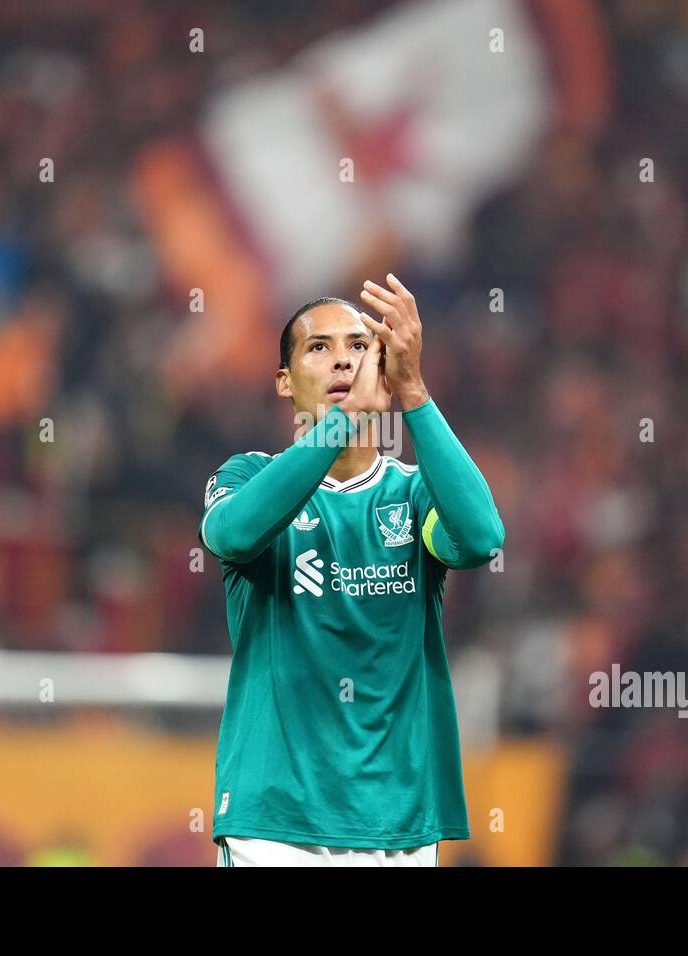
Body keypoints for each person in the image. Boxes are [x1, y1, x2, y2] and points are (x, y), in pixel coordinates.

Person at [199, 273, 505, 866]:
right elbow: (233, 536)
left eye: (359, 346)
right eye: (320, 347)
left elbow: (481, 539)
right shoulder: (245, 478)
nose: (343, 359)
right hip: (276, 826)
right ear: (285, 383)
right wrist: (344, 420)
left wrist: (414, 392)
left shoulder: (414, 497)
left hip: (399, 830)